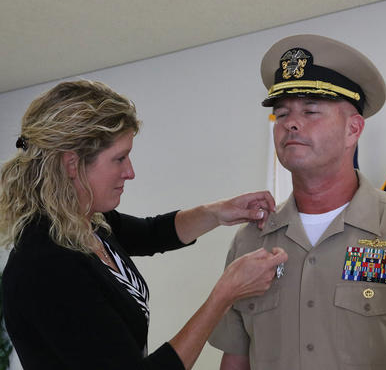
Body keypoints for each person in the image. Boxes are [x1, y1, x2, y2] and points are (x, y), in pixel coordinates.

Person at [0, 80, 288, 370]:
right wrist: (223, 295)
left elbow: (152, 233)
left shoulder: (86, 224)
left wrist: (216, 213)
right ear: (71, 164)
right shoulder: (46, 265)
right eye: (119, 159)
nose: (130, 172)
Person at [208, 34, 386, 370]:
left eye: (311, 111)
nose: (290, 123)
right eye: (282, 113)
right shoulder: (250, 242)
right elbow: (236, 359)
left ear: (353, 129)